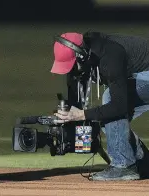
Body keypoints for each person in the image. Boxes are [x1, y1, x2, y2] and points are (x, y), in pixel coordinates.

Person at [50, 32, 149, 181]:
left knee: (109, 99)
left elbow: (119, 105)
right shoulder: (87, 52)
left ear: (81, 56)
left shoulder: (110, 57)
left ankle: (124, 165)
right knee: (109, 122)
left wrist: (82, 114)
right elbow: (76, 94)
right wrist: (69, 115)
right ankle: (143, 162)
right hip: (141, 74)